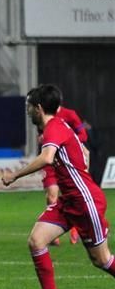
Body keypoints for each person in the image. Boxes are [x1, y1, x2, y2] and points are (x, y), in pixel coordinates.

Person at [1, 85, 113, 289]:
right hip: (69, 201)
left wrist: (14, 175)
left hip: (85, 202)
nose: (28, 110)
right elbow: (82, 153)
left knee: (102, 260)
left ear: (39, 108)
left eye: (29, 106)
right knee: (36, 240)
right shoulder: (56, 127)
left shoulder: (53, 128)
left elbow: (47, 158)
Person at [40, 101, 89, 245]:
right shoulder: (44, 117)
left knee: (73, 197)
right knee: (51, 196)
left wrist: (67, 140)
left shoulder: (70, 115)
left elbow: (83, 135)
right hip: (51, 160)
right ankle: (52, 235)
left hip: (69, 161)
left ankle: (75, 228)